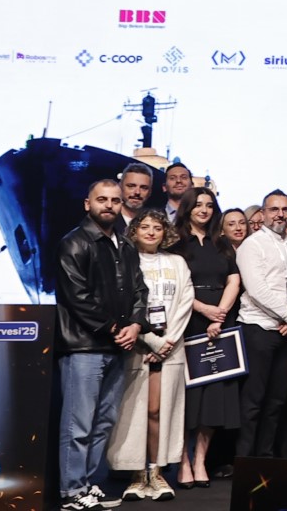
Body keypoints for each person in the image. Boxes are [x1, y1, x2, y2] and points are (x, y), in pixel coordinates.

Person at [55, 180, 149, 511]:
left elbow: (140, 290)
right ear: (88, 203)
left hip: (117, 347)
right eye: (102, 199)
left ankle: (88, 484)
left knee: (104, 422)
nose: (108, 205)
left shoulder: (125, 245)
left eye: (114, 200)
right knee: (78, 424)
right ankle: (71, 491)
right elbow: (76, 296)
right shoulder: (73, 242)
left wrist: (136, 325)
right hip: (84, 348)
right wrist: (115, 328)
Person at [111, 211, 193, 501]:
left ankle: (156, 473)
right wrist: (150, 341)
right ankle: (136, 475)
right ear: (134, 231)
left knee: (161, 410)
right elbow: (122, 304)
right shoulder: (125, 261)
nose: (150, 232)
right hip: (137, 345)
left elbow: (186, 301)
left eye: (157, 227)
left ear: (165, 232)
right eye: (144, 227)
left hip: (171, 346)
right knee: (135, 411)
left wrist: (167, 342)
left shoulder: (177, 262)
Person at [174, 192, 242, 489]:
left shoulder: (221, 242)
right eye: (198, 205)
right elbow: (175, 286)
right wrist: (203, 310)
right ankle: (182, 461)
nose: (204, 210)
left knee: (214, 397)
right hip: (188, 320)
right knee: (186, 397)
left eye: (209, 205)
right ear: (188, 208)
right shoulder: (175, 242)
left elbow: (234, 280)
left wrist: (220, 315)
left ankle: (200, 459)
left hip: (221, 322)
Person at [233, 191, 287, 460]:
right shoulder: (252, 245)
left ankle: (265, 459)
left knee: (276, 400)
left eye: (285, 209)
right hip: (258, 329)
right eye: (274, 209)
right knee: (253, 400)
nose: (280, 214)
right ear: (263, 213)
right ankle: (244, 460)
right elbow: (256, 289)